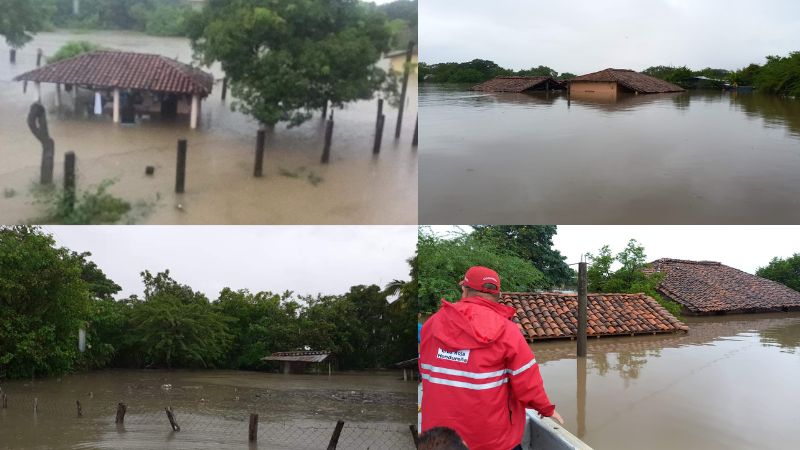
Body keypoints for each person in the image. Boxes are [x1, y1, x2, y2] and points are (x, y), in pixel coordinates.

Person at [419, 266, 564, 450]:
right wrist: (546, 408)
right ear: (498, 295)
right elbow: (527, 382)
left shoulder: (431, 325)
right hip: (492, 441)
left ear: (464, 289)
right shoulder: (507, 331)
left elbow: (425, 370)